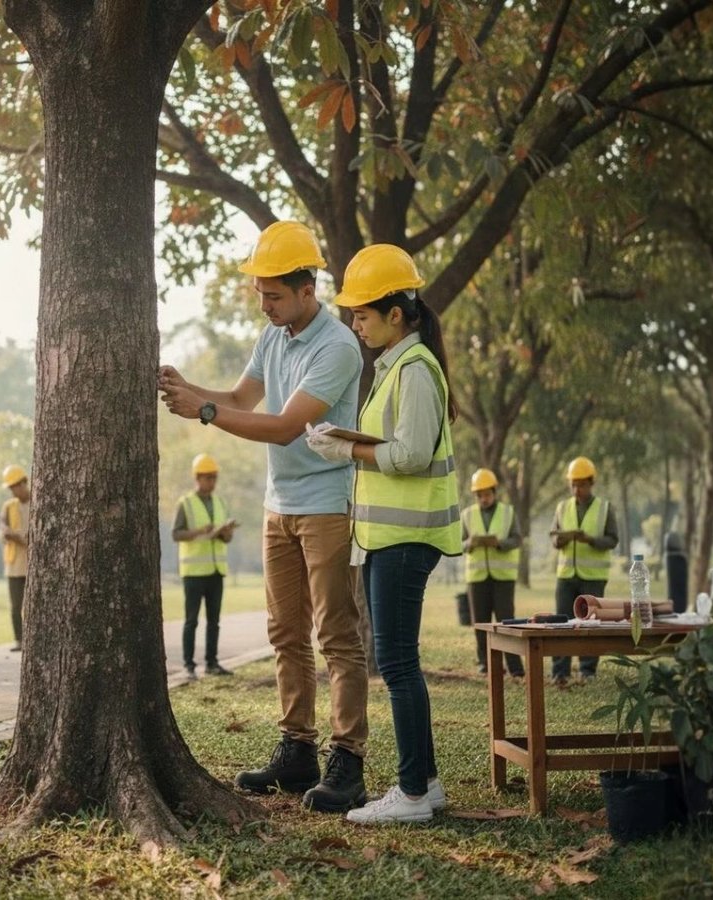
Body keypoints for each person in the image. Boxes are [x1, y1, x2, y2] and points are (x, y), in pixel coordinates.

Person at [158, 220, 369, 813]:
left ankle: (348, 759)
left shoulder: (338, 346)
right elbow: (242, 400)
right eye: (260, 294)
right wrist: (187, 387)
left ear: (308, 289)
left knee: (336, 635)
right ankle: (296, 749)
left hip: (327, 505)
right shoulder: (272, 336)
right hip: (279, 508)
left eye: (274, 295)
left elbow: (282, 426)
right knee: (285, 633)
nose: (265, 305)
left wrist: (200, 411)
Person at [306, 243, 461, 825]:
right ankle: (428, 784)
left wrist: (346, 447)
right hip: (387, 540)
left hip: (404, 542)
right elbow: (395, 444)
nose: (353, 323)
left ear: (396, 314)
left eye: (362, 314)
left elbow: (413, 454)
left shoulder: (415, 370)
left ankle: (413, 796)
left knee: (396, 664)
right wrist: (346, 439)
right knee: (399, 661)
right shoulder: (397, 365)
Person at [549, 456, 619, 684]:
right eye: (573, 484)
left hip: (593, 577)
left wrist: (589, 540)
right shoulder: (562, 507)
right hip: (566, 575)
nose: (577, 489)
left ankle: (588, 670)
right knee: (561, 622)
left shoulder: (605, 508)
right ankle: (560, 670)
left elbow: (612, 540)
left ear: (591, 483)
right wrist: (560, 541)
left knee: (591, 623)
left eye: (581, 484)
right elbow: (554, 536)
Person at [172, 453, 238, 679]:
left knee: (214, 621)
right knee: (191, 620)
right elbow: (176, 534)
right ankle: (188, 666)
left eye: (214, 478)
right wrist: (200, 532)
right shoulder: (185, 503)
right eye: (208, 478)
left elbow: (224, 539)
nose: (212, 482)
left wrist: (225, 533)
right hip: (193, 573)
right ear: (197, 478)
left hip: (216, 571)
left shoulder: (220, 502)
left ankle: (212, 663)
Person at [462, 467, 524, 677]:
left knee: (507, 622)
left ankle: (515, 667)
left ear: (494, 492)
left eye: (486, 494)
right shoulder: (467, 515)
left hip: (503, 578)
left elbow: (517, 539)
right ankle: (485, 664)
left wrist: (499, 544)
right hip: (477, 578)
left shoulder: (508, 512)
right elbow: (458, 544)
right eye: (479, 495)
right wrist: (469, 543)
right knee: (480, 622)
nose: (483, 498)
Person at [0, 464, 32, 652]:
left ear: (24, 482)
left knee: (32, 607)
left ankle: (31, 640)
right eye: (11, 487)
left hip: (32, 565)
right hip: (14, 565)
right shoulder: (8, 507)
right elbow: (4, 530)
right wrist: (22, 538)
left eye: (16, 486)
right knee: (15, 606)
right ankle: (19, 640)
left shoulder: (37, 501)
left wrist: (16, 536)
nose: (13, 490)